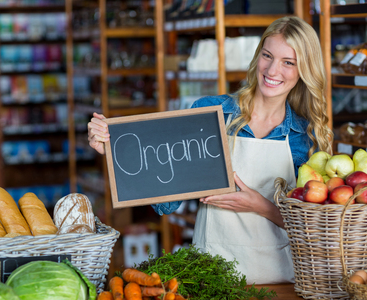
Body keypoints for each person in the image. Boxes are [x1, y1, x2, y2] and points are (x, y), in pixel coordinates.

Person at [87, 16, 333, 285]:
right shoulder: (212, 113)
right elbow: (166, 201)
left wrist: (260, 206)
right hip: (213, 275)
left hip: (281, 280)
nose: (273, 70)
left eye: (288, 62)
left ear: (304, 70)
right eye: (267, 56)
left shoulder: (304, 136)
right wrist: (116, 150)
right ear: (257, 57)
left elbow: (314, 229)